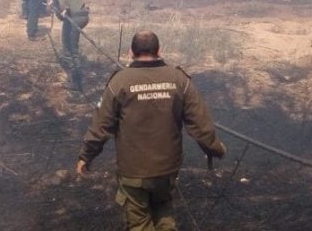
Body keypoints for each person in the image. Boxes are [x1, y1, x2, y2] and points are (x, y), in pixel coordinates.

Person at [76, 31, 227, 231]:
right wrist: (215, 149)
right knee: (164, 211)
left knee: (139, 223)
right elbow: (200, 123)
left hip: (133, 171)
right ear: (159, 51)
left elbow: (101, 125)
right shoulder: (179, 79)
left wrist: (86, 156)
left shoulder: (119, 82)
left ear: (130, 52)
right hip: (167, 170)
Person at [48, 0, 89, 91]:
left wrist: (62, 8)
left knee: (69, 49)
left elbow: (62, 0)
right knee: (71, 45)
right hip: (82, 16)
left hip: (74, 18)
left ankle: (76, 82)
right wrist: (55, 7)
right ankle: (77, 77)